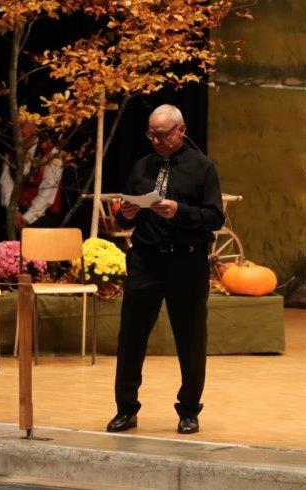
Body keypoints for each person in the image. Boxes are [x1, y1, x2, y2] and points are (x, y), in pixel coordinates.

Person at [106, 104, 224, 435]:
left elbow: (215, 217)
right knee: (131, 337)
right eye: (152, 135)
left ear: (181, 130)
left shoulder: (202, 168)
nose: (156, 141)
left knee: (190, 338)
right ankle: (126, 408)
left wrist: (179, 211)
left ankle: (189, 410)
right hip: (146, 260)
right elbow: (123, 216)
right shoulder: (142, 166)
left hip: (187, 262)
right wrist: (125, 213)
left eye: (162, 135)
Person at [0, 128, 64, 231]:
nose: (19, 131)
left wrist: (26, 218)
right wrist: (13, 210)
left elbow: (48, 191)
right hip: (18, 210)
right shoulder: (11, 152)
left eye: (23, 126)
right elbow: (6, 183)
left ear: (34, 128)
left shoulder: (51, 152)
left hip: (44, 213)